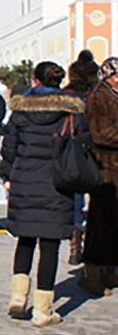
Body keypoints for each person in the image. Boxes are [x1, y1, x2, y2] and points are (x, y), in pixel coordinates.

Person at [0, 62, 89, 326]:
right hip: (57, 183)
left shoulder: (20, 110)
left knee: (25, 240)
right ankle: (43, 310)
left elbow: (9, 149)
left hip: (25, 181)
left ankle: (18, 297)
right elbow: (84, 144)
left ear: (35, 81)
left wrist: (8, 175)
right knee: (49, 246)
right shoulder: (71, 111)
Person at [79, 56, 118, 296]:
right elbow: (101, 133)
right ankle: (94, 273)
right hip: (105, 168)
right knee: (100, 222)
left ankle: (111, 270)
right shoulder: (98, 97)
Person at [65, 50, 99, 264]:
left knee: (76, 198)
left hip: (73, 149)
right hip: (97, 148)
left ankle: (75, 240)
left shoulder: (66, 95)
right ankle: (94, 238)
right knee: (98, 195)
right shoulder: (98, 94)